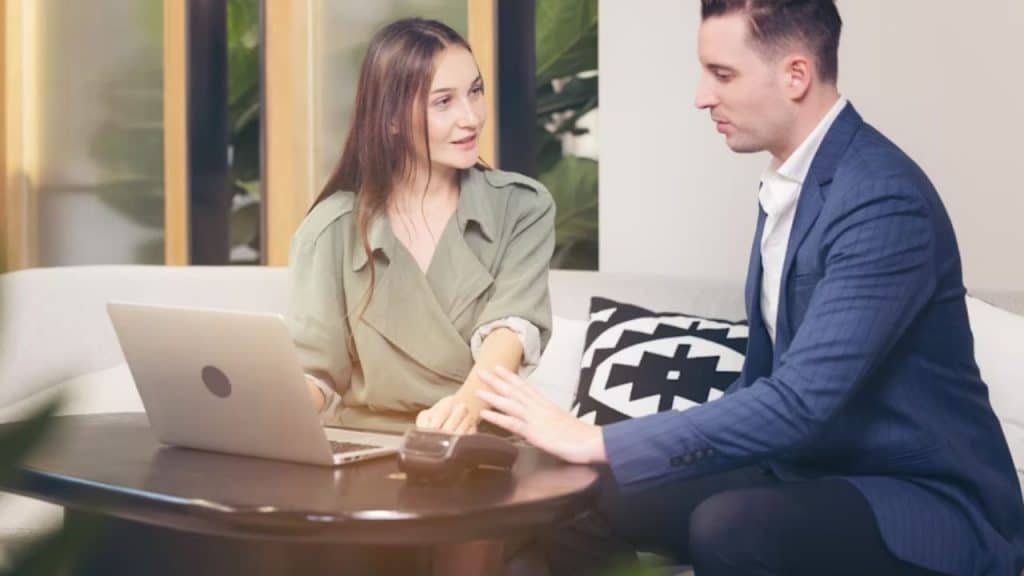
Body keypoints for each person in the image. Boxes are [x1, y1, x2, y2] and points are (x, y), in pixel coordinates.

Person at [478, 1, 1024, 575]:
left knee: (730, 526)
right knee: (578, 489)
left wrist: (601, 439)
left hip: (922, 498)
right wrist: (605, 456)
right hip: (809, 468)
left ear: (795, 75)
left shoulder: (882, 199)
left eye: (722, 74)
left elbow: (801, 401)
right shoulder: (790, 183)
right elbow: (762, 379)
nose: (701, 97)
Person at [286, 18, 554, 435]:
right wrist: (260, 417)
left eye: (475, 91)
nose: (471, 118)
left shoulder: (522, 206)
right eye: (443, 102)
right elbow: (316, 372)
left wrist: (465, 408)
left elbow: (511, 329)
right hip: (365, 440)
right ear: (391, 118)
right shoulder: (330, 228)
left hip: (476, 439)